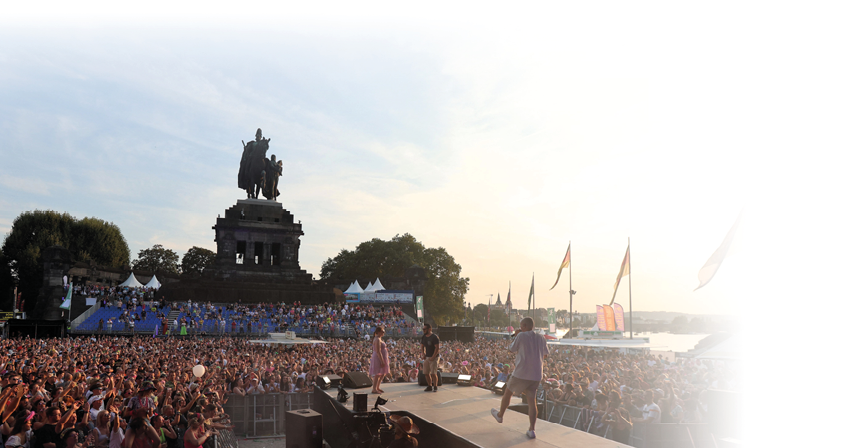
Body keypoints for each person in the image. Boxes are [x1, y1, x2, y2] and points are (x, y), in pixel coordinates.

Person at [490, 317, 548, 440]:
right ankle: (532, 429)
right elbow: (545, 354)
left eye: (521, 326)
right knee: (532, 402)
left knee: (508, 392)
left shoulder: (521, 336)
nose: (520, 328)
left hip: (522, 372)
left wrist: (517, 335)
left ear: (525, 326)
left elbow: (511, 349)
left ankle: (500, 415)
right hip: (536, 374)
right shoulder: (541, 337)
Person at [368, 326, 389, 395]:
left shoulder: (379, 338)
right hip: (378, 358)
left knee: (383, 373)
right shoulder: (377, 339)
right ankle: (374, 389)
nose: (383, 333)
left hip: (381, 357)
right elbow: (378, 351)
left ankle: (377, 387)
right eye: (382, 331)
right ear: (379, 332)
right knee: (377, 373)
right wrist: (382, 361)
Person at [419, 324, 439, 392]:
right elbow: (422, 345)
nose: (423, 331)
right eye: (423, 329)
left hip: (434, 357)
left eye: (425, 329)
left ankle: (435, 386)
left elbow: (437, 348)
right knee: (426, 373)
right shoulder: (424, 337)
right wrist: (423, 353)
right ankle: (430, 386)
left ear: (429, 329)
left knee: (433, 373)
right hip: (427, 357)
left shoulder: (434, 337)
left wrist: (433, 357)